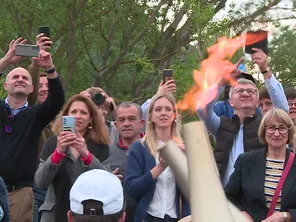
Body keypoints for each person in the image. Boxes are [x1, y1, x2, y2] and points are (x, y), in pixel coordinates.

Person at [197, 50, 289, 187]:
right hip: (224, 199)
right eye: (239, 91)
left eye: (251, 91)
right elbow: (201, 108)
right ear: (231, 101)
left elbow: (282, 110)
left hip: (255, 200)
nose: (245, 94)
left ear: (257, 101)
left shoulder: (266, 126)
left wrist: (265, 70)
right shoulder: (220, 125)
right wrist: (221, 82)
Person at [0, 38, 64, 221]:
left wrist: (49, 67)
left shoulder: (35, 116)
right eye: (15, 77)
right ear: (6, 85)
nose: (20, 79)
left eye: (24, 78)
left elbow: (57, 99)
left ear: (31, 88)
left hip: (20, 194)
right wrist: (6, 60)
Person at [35, 94, 110, 222]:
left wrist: (86, 154)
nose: (78, 116)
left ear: (91, 118)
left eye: (83, 113)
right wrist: (58, 153)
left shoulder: (100, 146)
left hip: (88, 214)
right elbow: (41, 182)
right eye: (73, 112)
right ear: (66, 116)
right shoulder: (52, 143)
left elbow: (106, 181)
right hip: (54, 214)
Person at [125, 93, 190, 222]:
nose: (163, 113)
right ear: (150, 115)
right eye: (158, 109)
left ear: (174, 115)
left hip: (178, 218)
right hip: (148, 217)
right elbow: (132, 189)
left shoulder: (184, 148)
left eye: (168, 109)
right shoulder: (139, 148)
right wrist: (159, 167)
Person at [225, 109, 296, 222]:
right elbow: (229, 196)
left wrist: (286, 216)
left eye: (282, 128)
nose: (276, 133)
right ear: (264, 131)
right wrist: (242, 214)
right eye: (271, 128)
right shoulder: (246, 161)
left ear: (289, 132)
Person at [106, 101, 145, 222]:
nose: (126, 124)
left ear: (142, 123)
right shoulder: (106, 153)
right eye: (122, 120)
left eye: (132, 119)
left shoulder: (154, 151)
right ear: (116, 125)